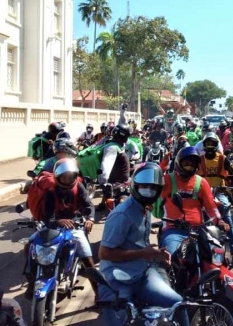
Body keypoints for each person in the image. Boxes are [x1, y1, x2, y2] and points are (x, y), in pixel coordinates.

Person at [98, 163, 190, 326]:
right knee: (121, 320)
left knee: (178, 304)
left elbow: (141, 246)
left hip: (141, 274)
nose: (148, 190)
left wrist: (157, 253)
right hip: (118, 279)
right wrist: (144, 253)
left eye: (153, 188)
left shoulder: (145, 209)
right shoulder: (122, 214)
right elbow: (104, 254)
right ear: (135, 185)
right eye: (144, 186)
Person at [26, 159, 98, 299]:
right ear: (57, 177)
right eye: (64, 177)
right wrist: (58, 221)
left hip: (74, 227)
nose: (67, 180)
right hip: (53, 227)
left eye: (70, 176)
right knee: (30, 246)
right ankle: (31, 282)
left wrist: (89, 219)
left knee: (88, 260)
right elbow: (47, 216)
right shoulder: (50, 193)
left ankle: (99, 295)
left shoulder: (79, 187)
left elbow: (87, 205)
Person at [159, 146, 229, 256]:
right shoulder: (168, 180)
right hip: (173, 230)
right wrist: (163, 165)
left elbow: (211, 206)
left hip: (198, 231)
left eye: (192, 165)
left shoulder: (202, 182)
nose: (189, 167)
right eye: (186, 163)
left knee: (216, 257)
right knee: (172, 258)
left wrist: (219, 221)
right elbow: (154, 182)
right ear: (178, 163)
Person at [198, 133, 233, 269]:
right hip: (202, 194)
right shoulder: (198, 160)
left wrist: (231, 188)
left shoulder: (223, 159)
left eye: (213, 143)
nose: (210, 146)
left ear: (216, 145)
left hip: (220, 193)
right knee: (196, 222)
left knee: (227, 219)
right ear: (204, 145)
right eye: (208, 143)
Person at [98, 124, 131, 210]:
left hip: (121, 182)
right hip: (118, 185)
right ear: (123, 136)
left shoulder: (117, 145)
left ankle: (103, 205)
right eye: (127, 136)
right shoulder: (112, 147)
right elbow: (106, 165)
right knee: (123, 206)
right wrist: (103, 181)